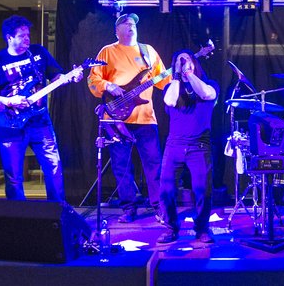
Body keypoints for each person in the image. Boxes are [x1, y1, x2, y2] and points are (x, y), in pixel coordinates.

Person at [0, 15, 81, 201]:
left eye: (28, 34)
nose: (27, 38)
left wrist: (69, 78)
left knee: (54, 169)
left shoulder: (39, 53)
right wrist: (8, 101)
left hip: (40, 121)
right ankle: (19, 218)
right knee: (14, 177)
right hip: (11, 124)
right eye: (22, 35)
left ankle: (57, 212)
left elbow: (56, 76)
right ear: (9, 38)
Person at [88, 13, 171, 222]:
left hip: (145, 118)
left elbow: (163, 80)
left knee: (154, 164)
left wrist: (177, 80)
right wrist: (108, 85)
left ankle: (158, 206)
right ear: (116, 31)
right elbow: (93, 79)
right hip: (117, 119)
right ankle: (129, 208)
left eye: (133, 23)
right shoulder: (107, 51)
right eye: (124, 24)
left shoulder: (148, 51)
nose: (130, 26)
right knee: (121, 166)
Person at [157, 50, 219, 244]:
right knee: (166, 189)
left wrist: (189, 74)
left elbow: (206, 94)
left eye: (188, 60)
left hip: (200, 146)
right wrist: (177, 75)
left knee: (202, 190)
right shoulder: (171, 87)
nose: (185, 64)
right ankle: (170, 227)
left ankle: (202, 229)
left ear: (195, 63)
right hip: (174, 145)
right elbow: (170, 101)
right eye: (180, 61)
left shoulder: (209, 84)